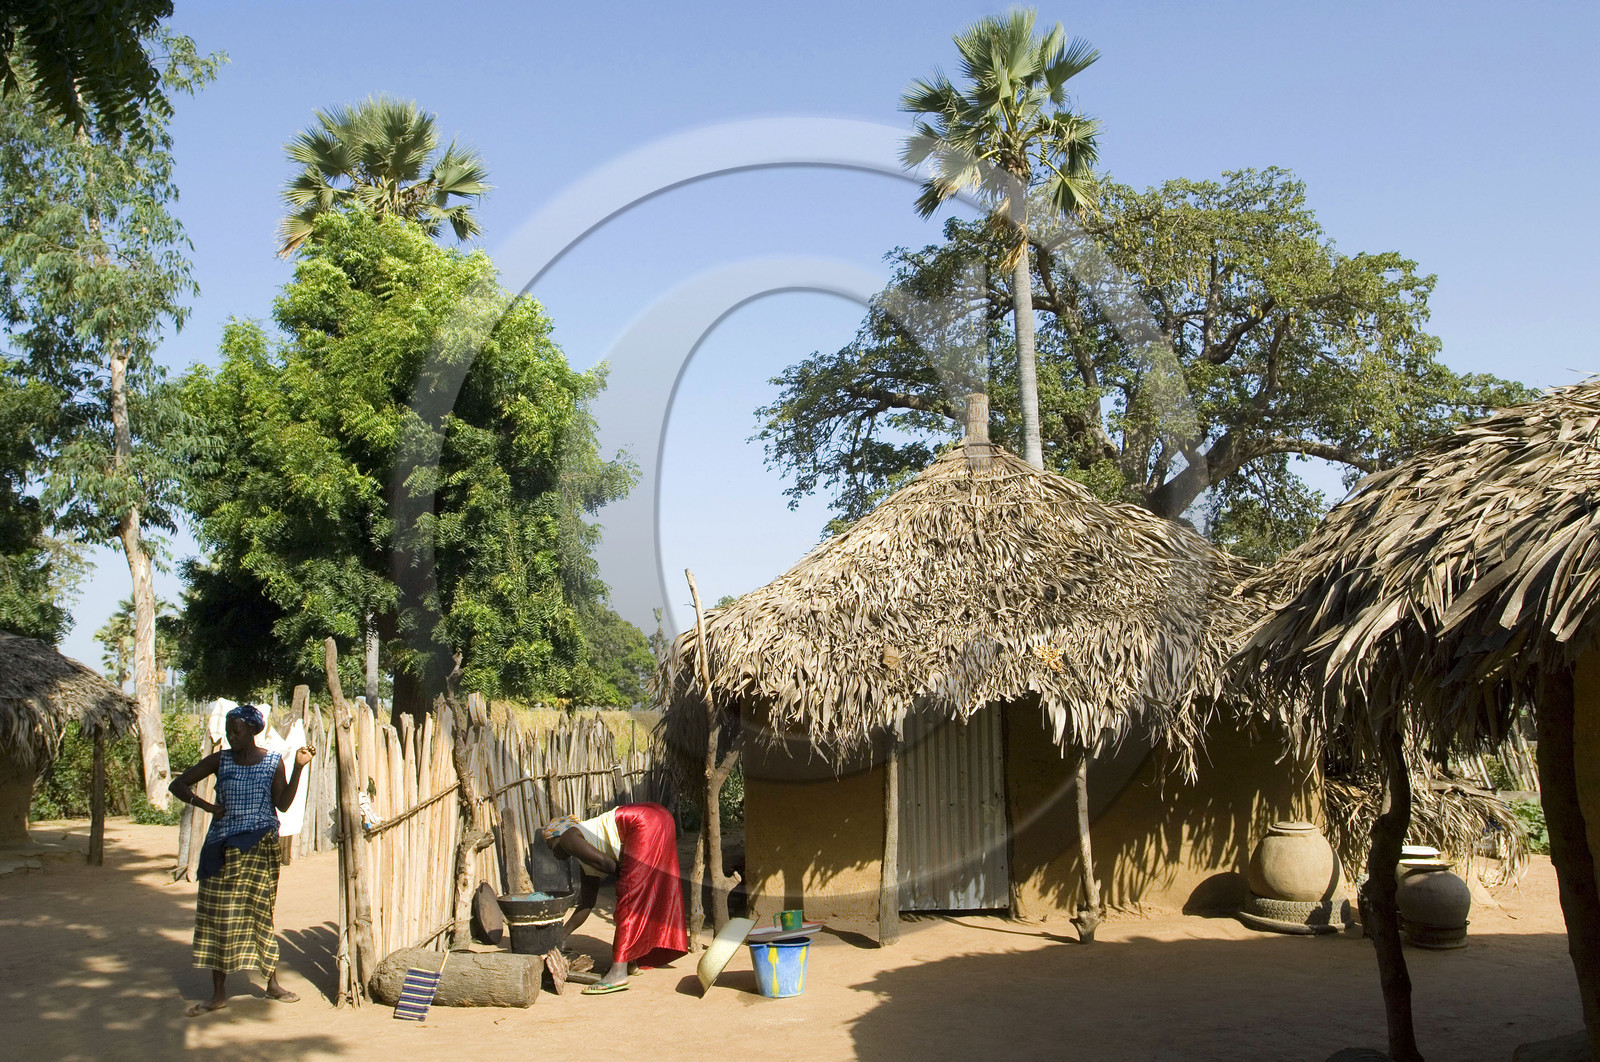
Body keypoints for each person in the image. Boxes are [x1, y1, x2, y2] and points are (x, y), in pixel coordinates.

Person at [169, 703, 315, 1016]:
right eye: (228, 731)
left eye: (236, 730)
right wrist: (206, 806)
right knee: (217, 918)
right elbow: (177, 784)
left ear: (252, 730)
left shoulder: (273, 762)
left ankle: (272, 985)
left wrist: (300, 768)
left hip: (260, 847)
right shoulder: (220, 761)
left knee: (260, 914)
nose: (231, 736)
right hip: (221, 849)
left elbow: (284, 805)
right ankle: (218, 994)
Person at [542, 802, 688, 994]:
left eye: (550, 846)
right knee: (641, 896)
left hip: (642, 820)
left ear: (556, 837)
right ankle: (631, 960)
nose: (554, 854)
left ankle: (618, 972)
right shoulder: (585, 853)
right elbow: (587, 903)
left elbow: (604, 863)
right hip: (659, 816)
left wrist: (628, 881)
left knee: (628, 899)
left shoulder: (568, 837)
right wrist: (562, 935)